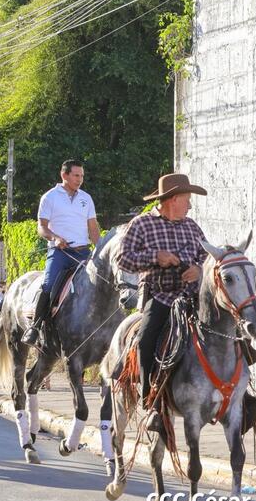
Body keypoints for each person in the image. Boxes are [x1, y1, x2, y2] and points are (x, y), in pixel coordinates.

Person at [116, 173, 208, 431]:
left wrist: (199, 269)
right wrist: (156, 257)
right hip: (160, 295)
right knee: (146, 339)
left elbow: (207, 256)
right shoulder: (141, 225)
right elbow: (124, 260)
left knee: (227, 330)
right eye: (187, 199)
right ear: (173, 199)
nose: (189, 205)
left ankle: (241, 397)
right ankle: (151, 402)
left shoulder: (192, 227)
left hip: (192, 297)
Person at [22, 159, 100, 345]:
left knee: (101, 283)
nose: (80, 179)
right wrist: (55, 238)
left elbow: (93, 229)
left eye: (81, 176)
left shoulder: (86, 198)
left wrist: (99, 249)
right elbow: (41, 227)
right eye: (76, 175)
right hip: (60, 253)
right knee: (49, 286)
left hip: (83, 253)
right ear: (64, 175)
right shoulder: (49, 197)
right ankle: (36, 326)